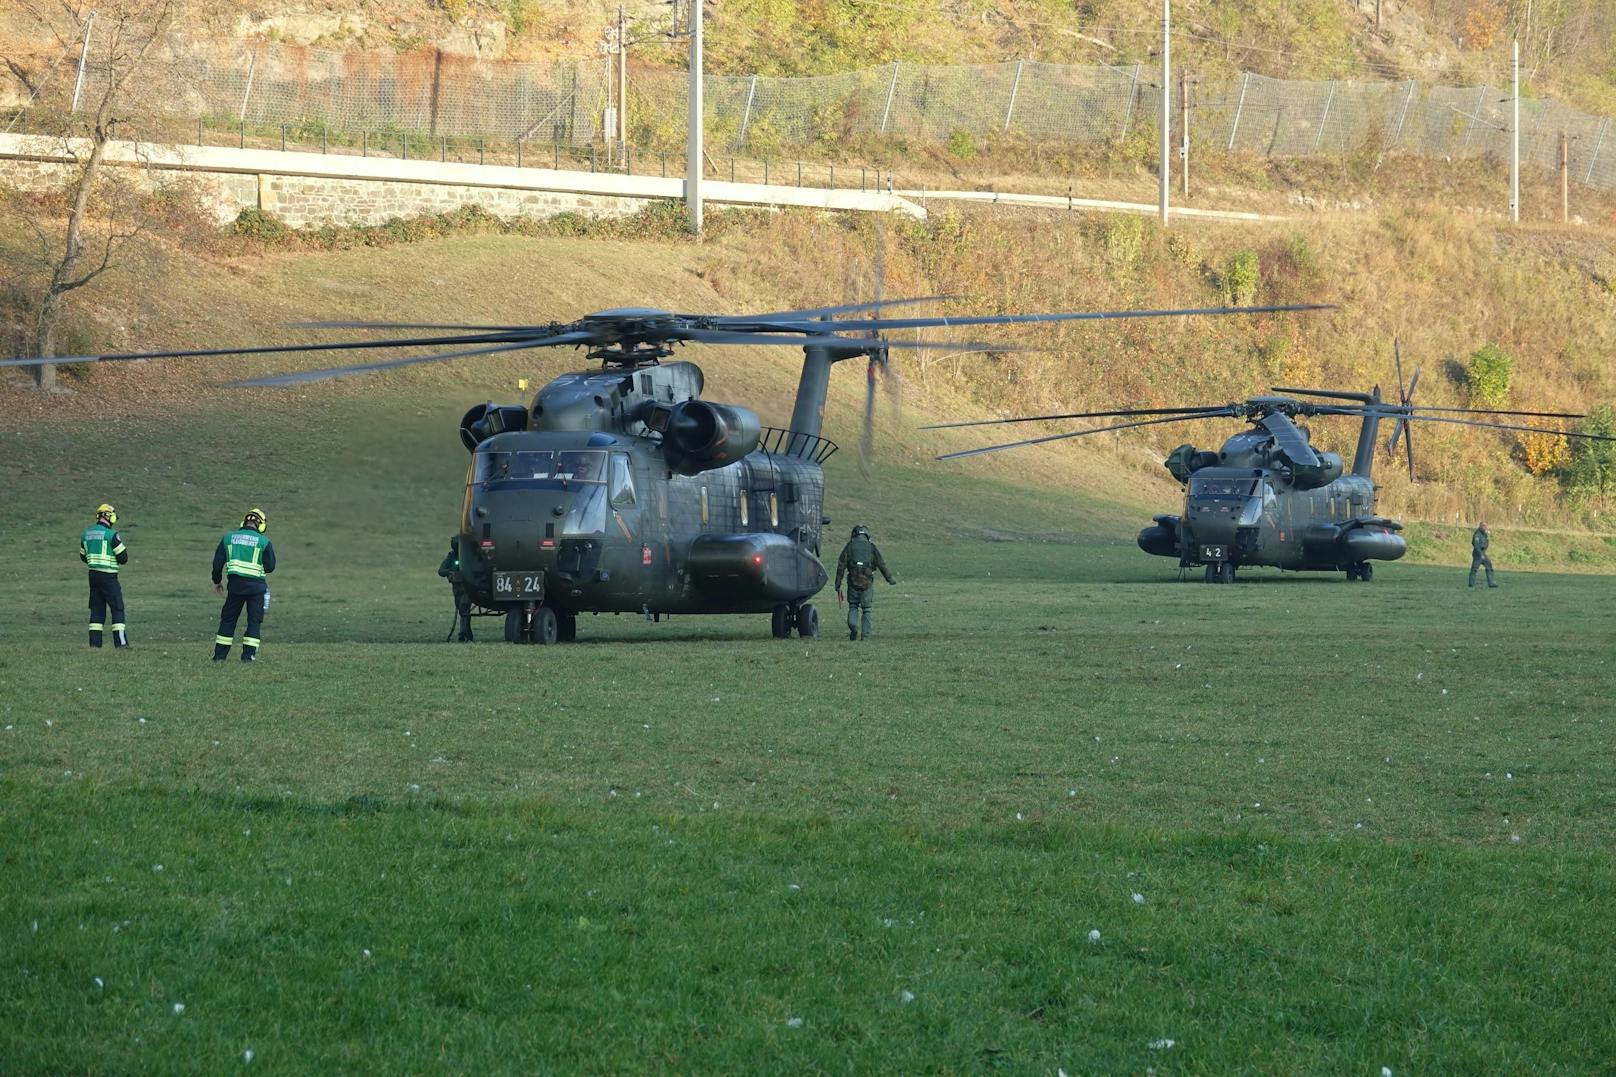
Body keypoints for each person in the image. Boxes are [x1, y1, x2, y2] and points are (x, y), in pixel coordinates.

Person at [212, 507, 277, 662]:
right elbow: (270, 567)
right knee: (254, 622)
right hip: (257, 589)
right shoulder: (264, 542)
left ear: (244, 521)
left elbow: (217, 563)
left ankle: (219, 658)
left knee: (228, 621)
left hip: (235, 587)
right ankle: (248, 657)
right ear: (261, 525)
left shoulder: (228, 537)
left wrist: (217, 581)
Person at [834, 524, 897, 641]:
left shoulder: (849, 547)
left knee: (853, 606)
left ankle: (853, 627)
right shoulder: (871, 547)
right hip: (867, 583)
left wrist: (837, 584)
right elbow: (881, 564)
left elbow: (841, 566)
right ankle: (865, 636)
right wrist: (890, 579)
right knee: (866, 609)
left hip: (852, 582)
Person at [79, 503, 130, 649]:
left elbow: (83, 557)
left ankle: (95, 645)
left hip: (93, 577)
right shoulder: (111, 535)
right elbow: (123, 558)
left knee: (97, 610)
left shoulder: (86, 534)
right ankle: (121, 644)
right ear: (107, 516)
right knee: (117, 608)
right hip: (109, 577)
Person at [438, 536, 473, 642]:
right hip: (457, 589)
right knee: (463, 611)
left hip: (469, 587)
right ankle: (467, 634)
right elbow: (441, 571)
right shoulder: (452, 557)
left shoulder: (470, 556)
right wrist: (452, 569)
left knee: (463, 608)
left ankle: (463, 634)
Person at [1469, 521, 1498, 588]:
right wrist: (1480, 554)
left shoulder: (1484, 534)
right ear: (1480, 526)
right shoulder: (1477, 534)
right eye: (1484, 526)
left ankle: (1491, 583)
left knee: (1489, 566)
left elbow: (1486, 543)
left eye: (1486, 526)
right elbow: (1475, 545)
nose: (1485, 527)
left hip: (1483, 553)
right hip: (1478, 554)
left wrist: (1483, 552)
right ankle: (1471, 583)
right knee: (1474, 568)